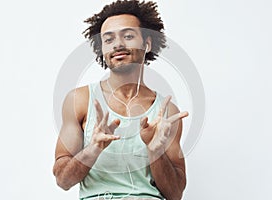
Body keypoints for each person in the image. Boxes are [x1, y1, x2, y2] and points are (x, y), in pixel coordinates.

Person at [53, 0, 189, 199]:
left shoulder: (167, 112)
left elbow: (175, 194)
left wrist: (155, 150)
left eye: (128, 36)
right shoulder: (79, 100)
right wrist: (94, 148)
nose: (118, 44)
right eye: (108, 40)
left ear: (147, 43)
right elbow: (63, 181)